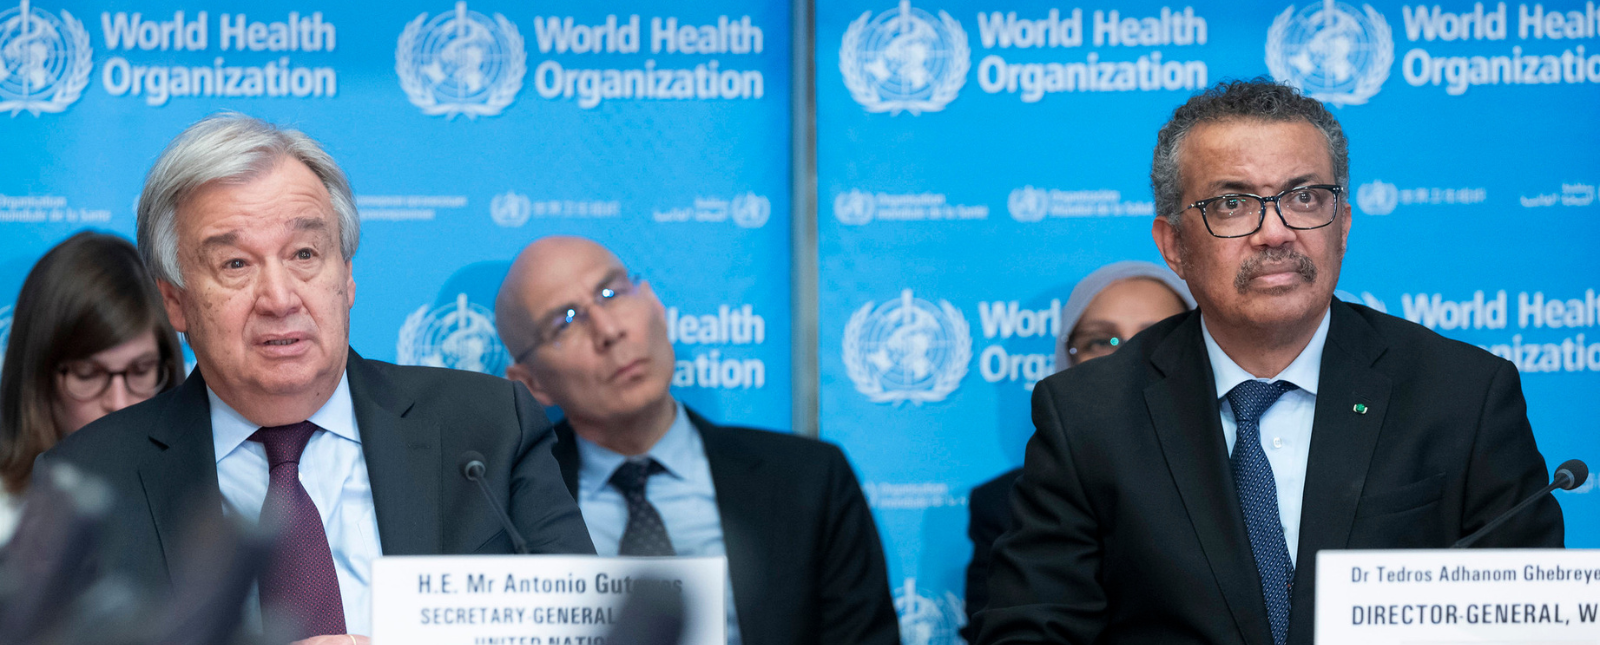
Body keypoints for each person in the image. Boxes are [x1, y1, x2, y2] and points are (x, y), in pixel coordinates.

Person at [977, 80, 1563, 645]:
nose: (1276, 233)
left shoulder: (1462, 394)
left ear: (1343, 226)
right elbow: (1032, 629)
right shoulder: (1089, 415)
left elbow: (1531, 626)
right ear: (1174, 245)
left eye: (1304, 198)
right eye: (1233, 204)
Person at [41, 114, 594, 644]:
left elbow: (584, 631)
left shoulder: (490, 430)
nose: (280, 299)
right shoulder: (90, 482)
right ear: (174, 302)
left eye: (304, 254)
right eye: (235, 264)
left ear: (347, 277)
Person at [494, 235, 899, 645]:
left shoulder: (810, 480)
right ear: (531, 383)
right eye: (565, 321)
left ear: (654, 305)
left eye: (611, 294)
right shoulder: (501, 509)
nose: (609, 330)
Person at [962, 260, 1192, 638]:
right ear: (1067, 359)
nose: (1126, 360)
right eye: (1102, 341)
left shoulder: (1247, 477)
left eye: (1155, 340)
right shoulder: (1007, 506)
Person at [0, 231, 185, 544]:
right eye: (88, 374)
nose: (119, 402)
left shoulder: (200, 505)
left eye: (141, 371)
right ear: (38, 378)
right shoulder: (7, 519)